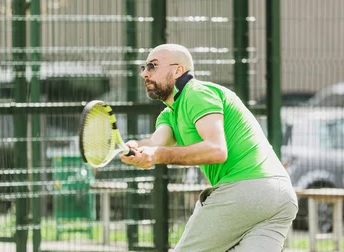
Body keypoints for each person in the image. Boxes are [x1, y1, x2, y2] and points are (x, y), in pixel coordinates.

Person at [121, 44, 298, 252]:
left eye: (152, 66)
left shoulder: (197, 93)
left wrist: (157, 155)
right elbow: (155, 143)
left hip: (246, 189)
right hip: (280, 196)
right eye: (143, 67)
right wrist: (137, 148)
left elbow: (216, 150)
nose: (144, 73)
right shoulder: (170, 113)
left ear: (178, 70)